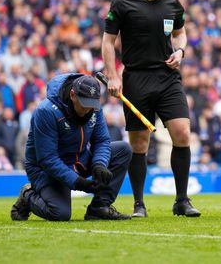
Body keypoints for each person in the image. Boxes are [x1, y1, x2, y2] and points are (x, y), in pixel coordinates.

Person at [102, 0, 200, 218]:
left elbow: (180, 33)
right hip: (136, 78)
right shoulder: (123, 4)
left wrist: (180, 52)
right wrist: (113, 75)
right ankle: (138, 204)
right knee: (140, 143)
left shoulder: (172, 4)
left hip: (168, 78)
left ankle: (182, 201)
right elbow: (108, 42)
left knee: (182, 132)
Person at [10, 73, 132, 221]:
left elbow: (101, 140)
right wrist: (78, 182)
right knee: (60, 214)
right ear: (73, 95)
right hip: (44, 169)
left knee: (123, 150)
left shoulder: (94, 108)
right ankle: (27, 195)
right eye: (84, 104)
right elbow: (47, 159)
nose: (88, 110)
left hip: (79, 159)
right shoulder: (46, 111)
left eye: (92, 105)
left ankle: (99, 208)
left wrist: (99, 164)